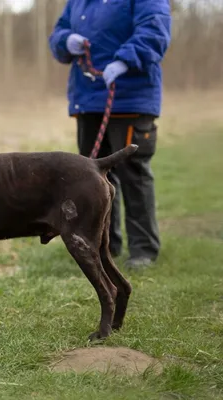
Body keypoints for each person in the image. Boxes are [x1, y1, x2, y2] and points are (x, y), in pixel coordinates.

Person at [49, 0, 172, 268]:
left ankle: (143, 249)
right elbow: (58, 32)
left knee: (133, 175)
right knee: (92, 178)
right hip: (87, 101)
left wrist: (125, 60)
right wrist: (65, 40)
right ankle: (104, 245)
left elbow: (155, 31)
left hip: (131, 100)